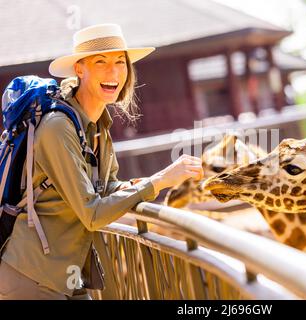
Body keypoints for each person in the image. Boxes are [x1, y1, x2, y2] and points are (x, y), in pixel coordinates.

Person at [0, 24, 203, 300]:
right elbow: (93, 213)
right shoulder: (57, 127)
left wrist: (136, 185)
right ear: (79, 69)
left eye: (120, 62)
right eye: (101, 62)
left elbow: (105, 188)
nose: (114, 72)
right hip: (32, 277)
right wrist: (159, 181)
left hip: (70, 275)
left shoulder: (98, 126)